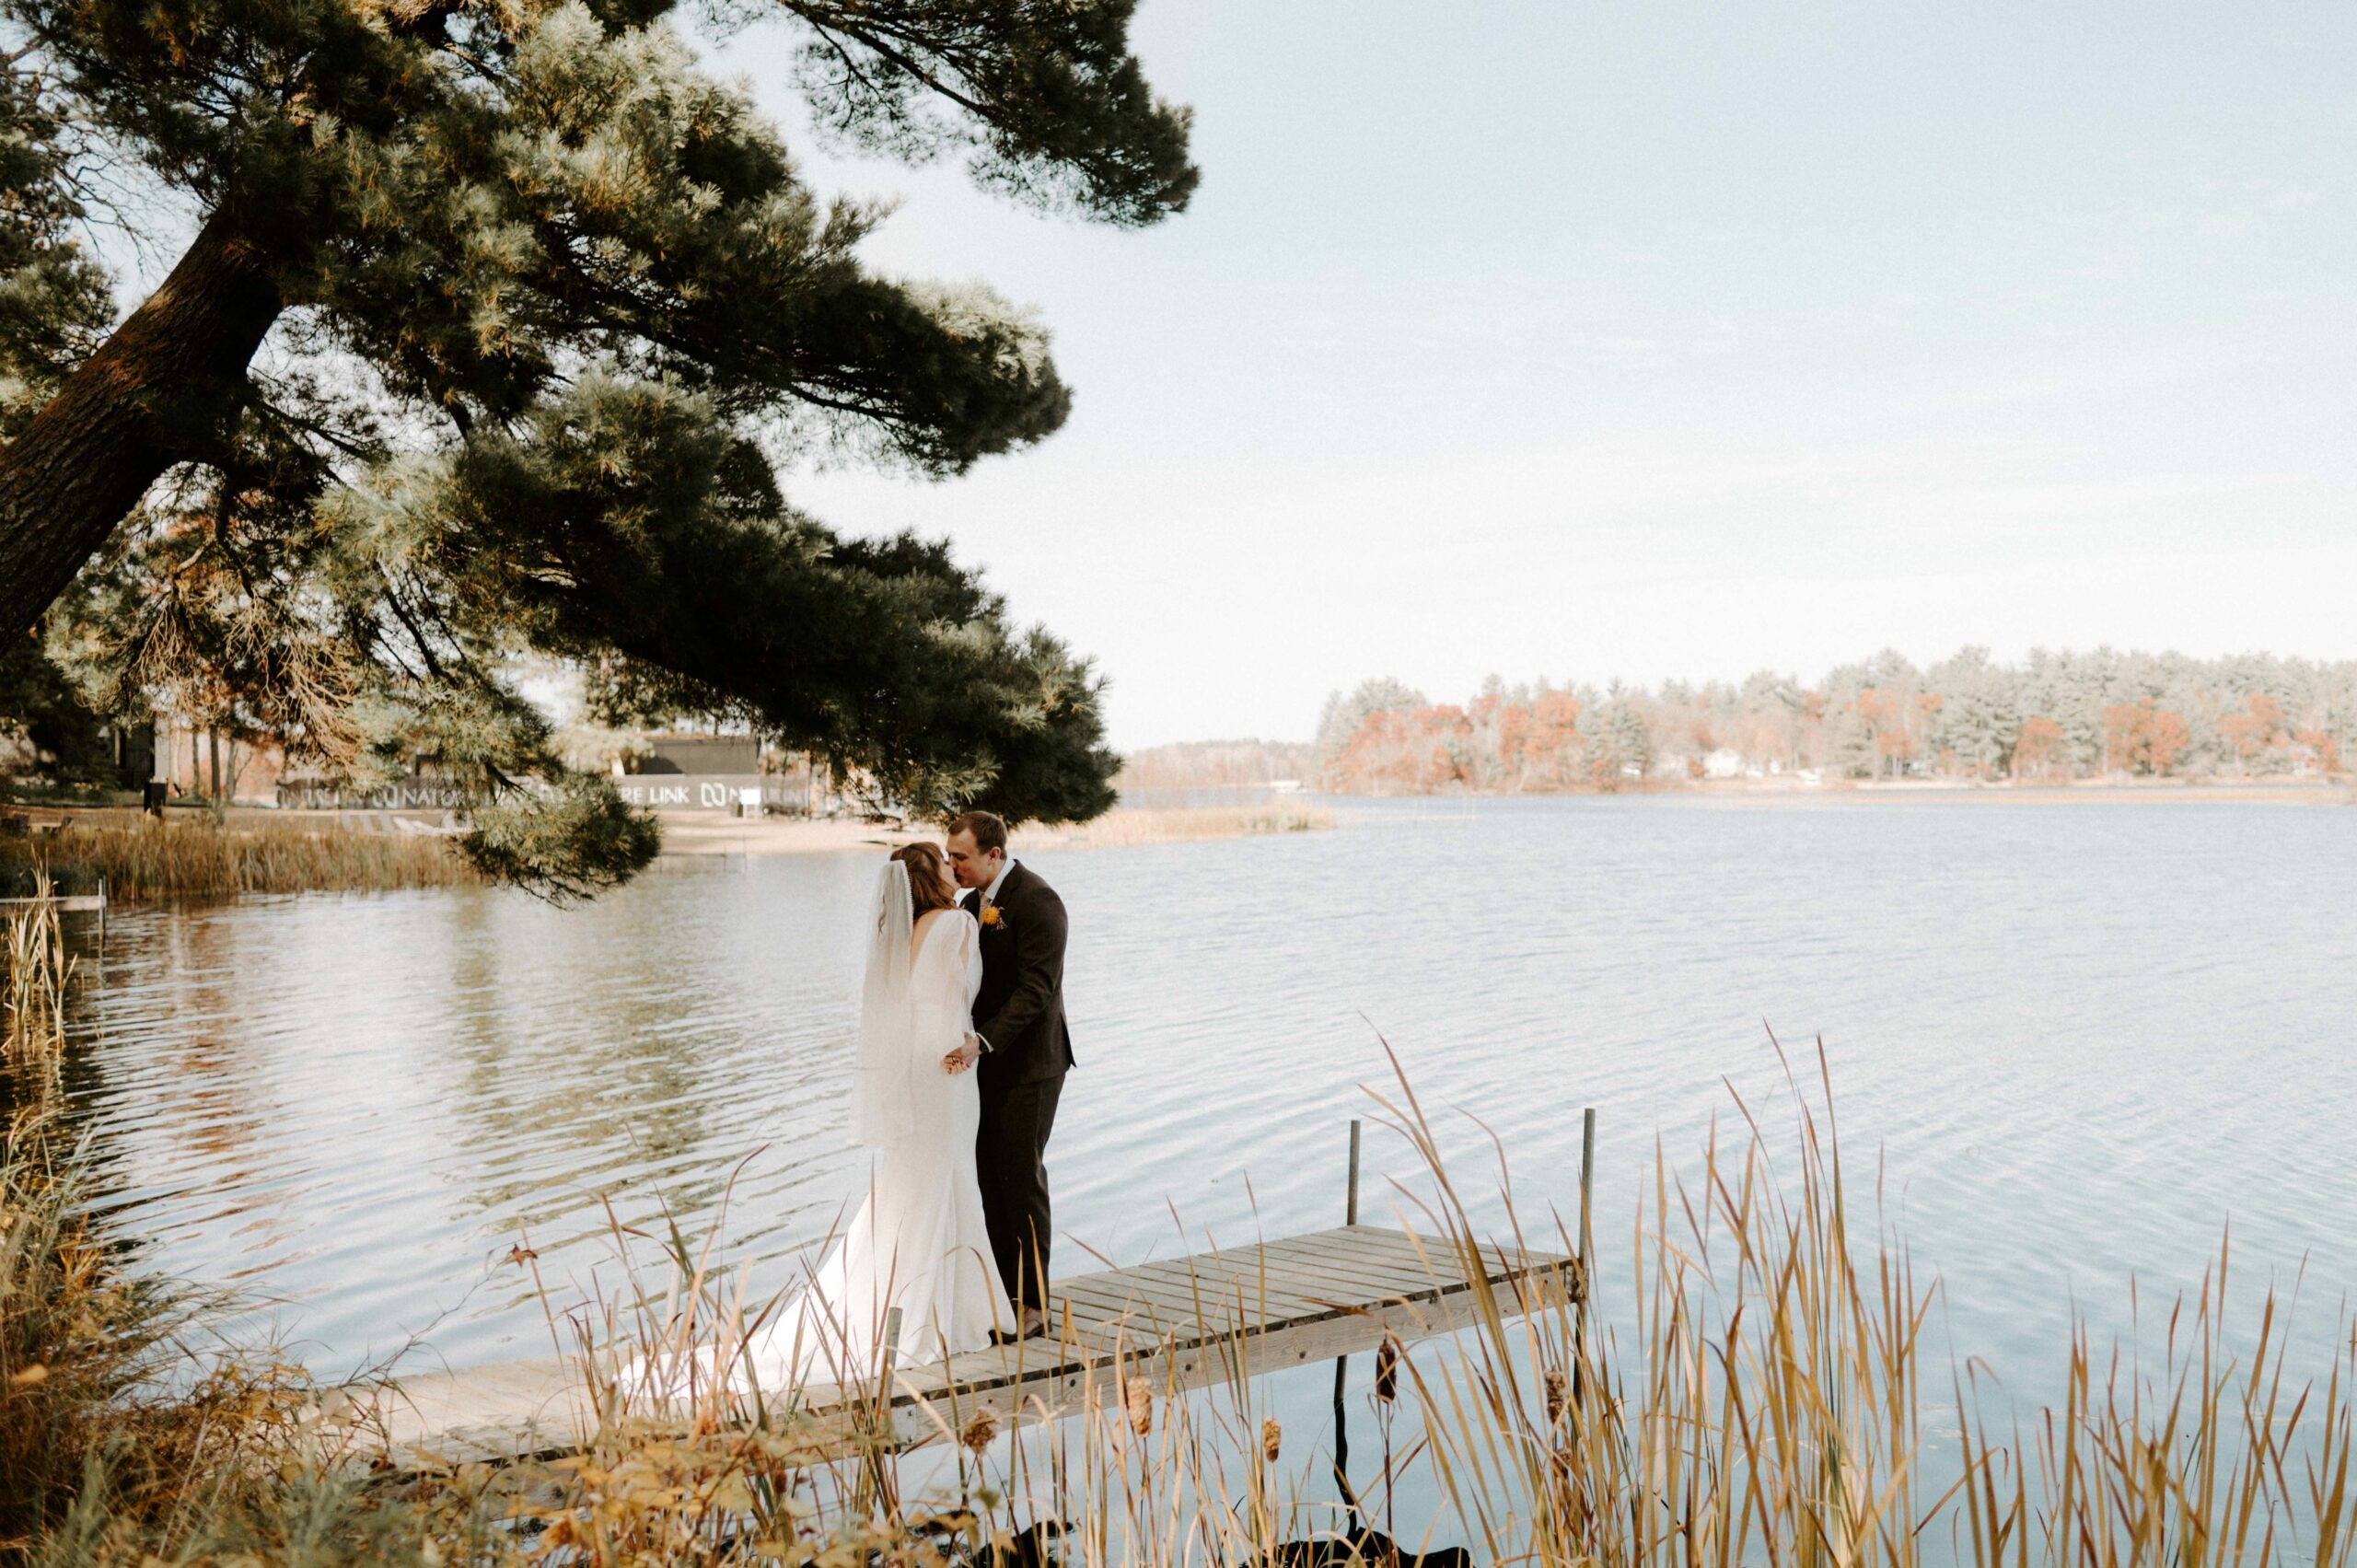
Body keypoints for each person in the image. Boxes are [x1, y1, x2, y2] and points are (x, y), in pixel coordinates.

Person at [740, 842, 1006, 1387]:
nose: (951, 866)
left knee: (916, 1173)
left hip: (913, 1059)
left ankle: (910, 1296)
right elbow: (965, 988)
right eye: (942, 860)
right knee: (949, 1173)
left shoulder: (898, 931)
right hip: (948, 1059)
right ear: (928, 875)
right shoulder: (956, 923)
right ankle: (951, 1312)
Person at [942, 809, 1073, 1343]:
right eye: (949, 857)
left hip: (1032, 1067)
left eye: (962, 858)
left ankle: (1037, 1309)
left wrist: (983, 1040)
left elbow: (1035, 991)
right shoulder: (971, 905)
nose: (954, 867)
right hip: (983, 1065)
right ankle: (1004, 1297)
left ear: (994, 854)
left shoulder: (1039, 901)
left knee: (1021, 1181)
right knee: (989, 1183)